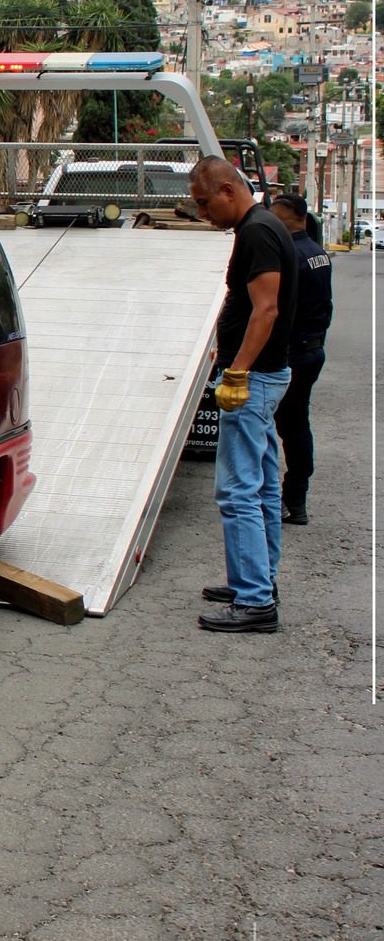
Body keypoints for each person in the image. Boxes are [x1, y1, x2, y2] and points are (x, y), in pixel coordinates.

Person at [187, 155, 297, 634]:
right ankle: (257, 582)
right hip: (268, 376)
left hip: (254, 381)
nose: (204, 213)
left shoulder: (256, 232)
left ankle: (254, 601)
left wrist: (237, 372)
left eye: (204, 202)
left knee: (237, 490)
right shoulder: (264, 226)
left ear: (227, 190)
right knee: (264, 485)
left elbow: (266, 309)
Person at [271, 192, 333, 524]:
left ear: (293, 219)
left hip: (292, 353)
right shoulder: (318, 253)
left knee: (277, 426)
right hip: (312, 349)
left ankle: (287, 500)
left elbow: (275, 310)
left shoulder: (289, 255)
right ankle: (296, 499)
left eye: (275, 218)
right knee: (296, 425)